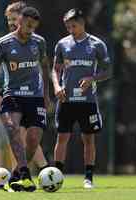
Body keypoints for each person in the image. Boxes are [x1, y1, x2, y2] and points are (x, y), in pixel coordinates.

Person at [0, 6, 51, 192]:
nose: (29, 28)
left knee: (33, 139)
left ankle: (15, 176)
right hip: (12, 95)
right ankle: (25, 175)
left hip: (35, 97)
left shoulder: (39, 42)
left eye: (33, 26)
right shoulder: (3, 43)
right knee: (13, 129)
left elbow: (45, 68)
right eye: (26, 24)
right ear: (19, 21)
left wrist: (46, 95)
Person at [52, 8, 112, 189]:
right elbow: (55, 70)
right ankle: (57, 176)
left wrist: (92, 79)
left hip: (88, 101)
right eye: (68, 27)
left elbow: (108, 71)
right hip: (66, 100)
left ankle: (88, 178)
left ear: (82, 22)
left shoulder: (97, 44)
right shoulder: (62, 44)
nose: (71, 29)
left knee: (89, 140)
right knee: (62, 138)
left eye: (74, 25)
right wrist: (56, 86)